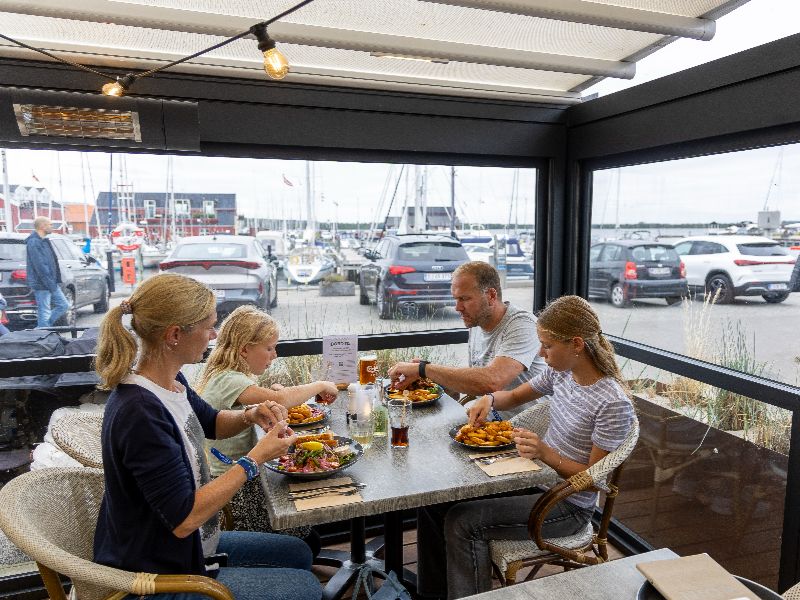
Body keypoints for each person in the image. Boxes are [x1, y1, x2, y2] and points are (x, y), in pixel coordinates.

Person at [93, 273, 322, 600]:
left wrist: (250, 414)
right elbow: (184, 519)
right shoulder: (140, 413)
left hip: (192, 547)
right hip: (159, 575)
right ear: (174, 334)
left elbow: (212, 421)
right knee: (307, 590)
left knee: (300, 553)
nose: (214, 336)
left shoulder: (170, 382)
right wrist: (255, 458)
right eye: (209, 327)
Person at [416, 295, 636, 600]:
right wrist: (490, 399)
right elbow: (516, 395)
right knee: (434, 502)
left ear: (576, 344)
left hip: (567, 506)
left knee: (463, 522)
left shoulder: (612, 402)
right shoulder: (562, 372)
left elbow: (592, 479)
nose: (541, 353)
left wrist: (545, 453)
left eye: (547, 346)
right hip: (535, 480)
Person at [196, 305, 338, 549]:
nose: (274, 355)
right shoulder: (229, 378)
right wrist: (321, 384)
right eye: (269, 348)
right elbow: (284, 401)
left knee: (310, 533)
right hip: (234, 492)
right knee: (310, 540)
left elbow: (261, 404)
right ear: (244, 349)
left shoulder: (224, 374)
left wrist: (271, 397)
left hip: (238, 477)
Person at [388, 261, 546, 406]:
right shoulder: (477, 322)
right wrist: (432, 377)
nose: (457, 307)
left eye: (464, 298)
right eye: (456, 299)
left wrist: (423, 369)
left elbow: (492, 381)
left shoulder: (522, 324)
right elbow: (476, 383)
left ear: (491, 295)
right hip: (485, 421)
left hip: (523, 428)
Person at [25, 216, 70, 328]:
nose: (52, 227)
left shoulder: (44, 241)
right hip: (42, 283)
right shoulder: (34, 242)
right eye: (50, 224)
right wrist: (50, 283)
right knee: (44, 311)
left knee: (63, 305)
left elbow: (51, 263)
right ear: (42, 226)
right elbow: (40, 266)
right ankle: (43, 332)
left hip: (51, 282)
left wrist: (53, 282)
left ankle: (43, 328)